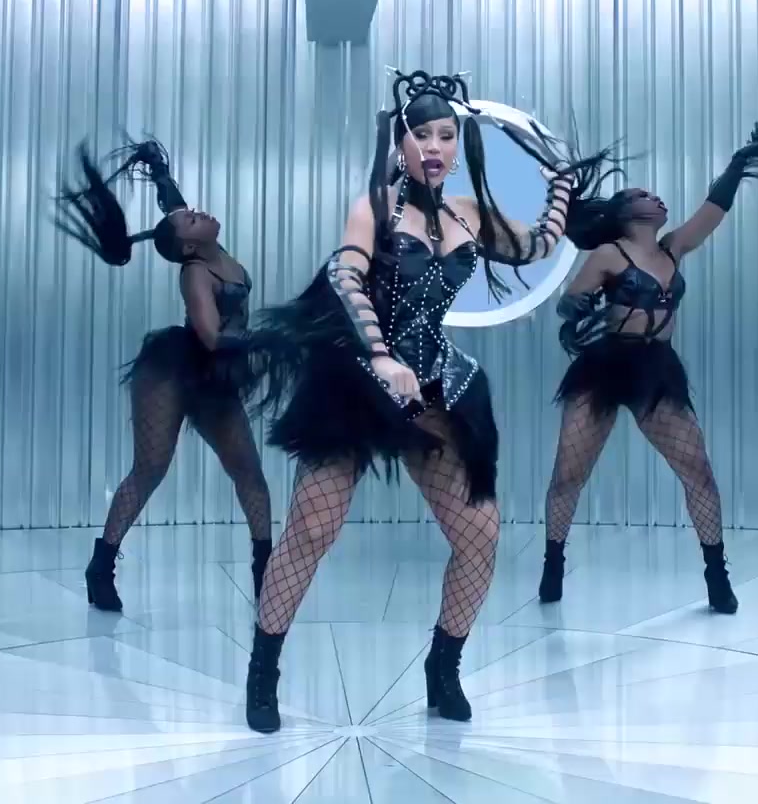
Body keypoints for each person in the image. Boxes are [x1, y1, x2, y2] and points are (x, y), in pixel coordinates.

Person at [238, 69, 611, 734]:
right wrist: (381, 356)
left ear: (457, 145)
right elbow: (346, 274)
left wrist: (559, 191)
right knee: (313, 530)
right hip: (355, 385)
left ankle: (445, 669)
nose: (434, 146)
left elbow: (536, 245)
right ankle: (262, 670)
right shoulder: (375, 207)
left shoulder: (469, 214)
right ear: (401, 144)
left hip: (432, 386)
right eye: (421, 135)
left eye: (445, 135)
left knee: (480, 536)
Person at [538, 116, 758, 614]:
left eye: (656, 195)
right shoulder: (609, 253)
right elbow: (569, 302)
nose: (657, 198)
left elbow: (712, 211)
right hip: (605, 366)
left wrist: (737, 165)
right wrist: (578, 309)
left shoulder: (672, 248)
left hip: (656, 368)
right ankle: (553, 562)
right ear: (625, 212)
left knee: (698, 472)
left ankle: (716, 574)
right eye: (644, 195)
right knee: (568, 475)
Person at [53, 138, 273, 612]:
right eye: (192, 219)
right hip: (172, 372)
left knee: (250, 475)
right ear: (190, 244)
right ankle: (100, 568)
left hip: (216, 382)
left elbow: (172, 206)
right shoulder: (195, 273)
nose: (197, 212)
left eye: (193, 214)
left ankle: (267, 574)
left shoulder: (211, 248)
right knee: (150, 469)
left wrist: (158, 172)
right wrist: (270, 341)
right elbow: (210, 337)